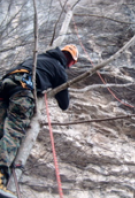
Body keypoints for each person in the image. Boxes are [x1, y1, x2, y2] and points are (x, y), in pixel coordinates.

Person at [0, 44, 78, 198]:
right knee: (13, 132)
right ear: (70, 62)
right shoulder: (59, 69)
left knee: (1, 128)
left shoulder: (39, 58)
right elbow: (64, 104)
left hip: (7, 83)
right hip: (23, 89)